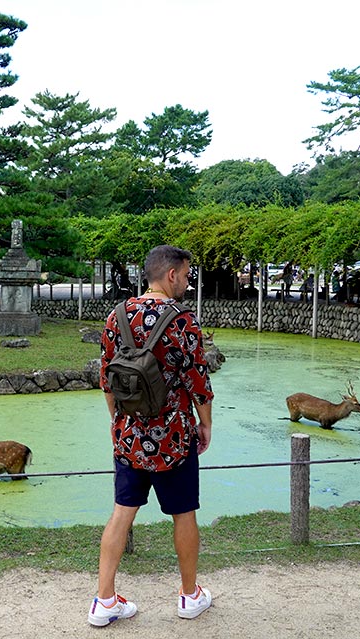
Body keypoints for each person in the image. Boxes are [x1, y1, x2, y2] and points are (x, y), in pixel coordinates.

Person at [93, 244, 214, 627]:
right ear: (171, 275)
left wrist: (118, 423)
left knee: (121, 514)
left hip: (129, 435)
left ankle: (105, 600)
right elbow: (198, 382)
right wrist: (205, 423)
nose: (187, 282)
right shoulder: (183, 321)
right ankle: (189, 596)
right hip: (174, 437)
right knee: (183, 514)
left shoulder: (116, 317)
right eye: (186, 275)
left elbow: (107, 381)